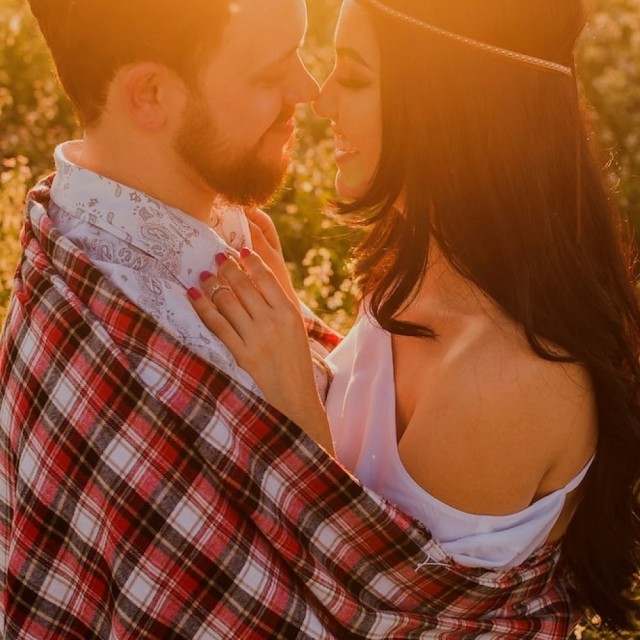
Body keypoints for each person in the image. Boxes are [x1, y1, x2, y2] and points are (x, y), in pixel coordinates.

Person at [190, 0, 640, 634]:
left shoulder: (505, 378)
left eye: (354, 77)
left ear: (447, 109)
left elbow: (356, 611)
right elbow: (368, 459)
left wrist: (289, 387)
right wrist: (290, 324)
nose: (320, 102)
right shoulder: (425, 272)